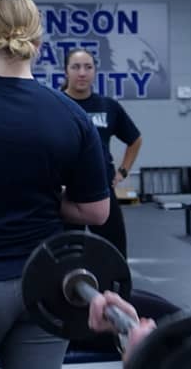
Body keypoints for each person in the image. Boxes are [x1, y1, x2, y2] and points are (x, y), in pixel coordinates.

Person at [0, 0, 111, 369]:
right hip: (45, 282)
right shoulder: (71, 115)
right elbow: (97, 212)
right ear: (37, 40)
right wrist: (51, 198)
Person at [61, 49, 143, 258]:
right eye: (76, 67)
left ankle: (115, 290)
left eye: (88, 67)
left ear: (95, 71)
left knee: (114, 254)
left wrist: (122, 172)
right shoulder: (55, 104)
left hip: (102, 192)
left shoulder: (108, 106)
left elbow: (135, 139)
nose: (82, 73)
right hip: (63, 195)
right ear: (66, 71)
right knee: (65, 256)